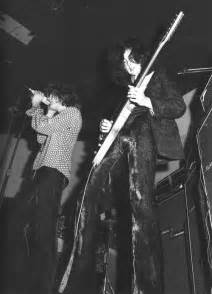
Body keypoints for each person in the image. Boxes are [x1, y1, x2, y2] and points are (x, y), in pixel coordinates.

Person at [60, 37, 186, 294]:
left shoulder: (157, 75)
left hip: (145, 133)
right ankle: (75, 281)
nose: (128, 65)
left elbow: (179, 106)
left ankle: (146, 287)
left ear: (141, 57)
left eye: (132, 59)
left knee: (141, 200)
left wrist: (147, 100)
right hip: (121, 138)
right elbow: (119, 124)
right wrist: (107, 130)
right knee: (88, 194)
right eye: (124, 61)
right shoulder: (125, 92)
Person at [23, 82, 82, 294]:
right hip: (44, 170)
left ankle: (44, 286)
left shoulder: (73, 113)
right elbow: (41, 137)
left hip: (53, 171)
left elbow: (41, 127)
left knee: (45, 229)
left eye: (52, 97)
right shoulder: (58, 118)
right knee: (37, 228)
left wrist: (38, 106)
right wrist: (45, 109)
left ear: (62, 98)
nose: (50, 99)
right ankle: (37, 281)